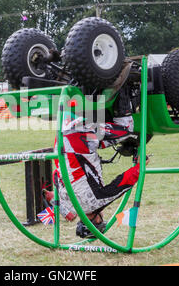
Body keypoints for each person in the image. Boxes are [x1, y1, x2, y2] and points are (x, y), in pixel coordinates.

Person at [44, 92, 150, 238]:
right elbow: (56, 176)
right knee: (106, 137)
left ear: (96, 219)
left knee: (126, 128)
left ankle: (124, 86)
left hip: (81, 138)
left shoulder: (94, 204)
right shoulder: (69, 204)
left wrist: (140, 166)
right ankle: (98, 91)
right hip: (63, 139)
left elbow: (122, 183)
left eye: (101, 219)